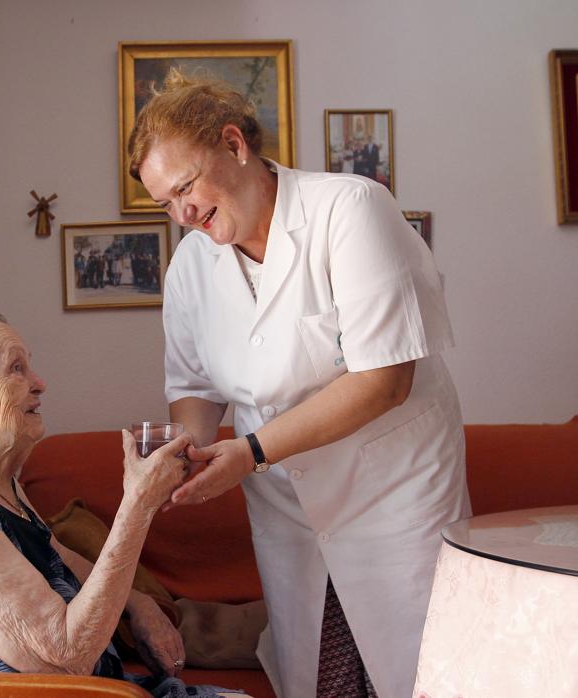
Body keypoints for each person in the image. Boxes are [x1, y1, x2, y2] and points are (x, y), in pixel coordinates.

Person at [128, 70, 469, 698]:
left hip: (394, 494)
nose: (183, 214)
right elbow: (198, 389)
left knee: (418, 674)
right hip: (285, 508)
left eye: (186, 188)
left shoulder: (349, 209)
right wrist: (183, 456)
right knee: (312, 677)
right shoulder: (189, 268)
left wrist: (250, 452)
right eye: (165, 204)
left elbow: (385, 380)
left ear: (235, 145)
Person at [0, 302, 241, 697]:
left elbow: (58, 556)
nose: (39, 382)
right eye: (16, 368)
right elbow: (66, 663)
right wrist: (137, 506)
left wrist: (138, 604)